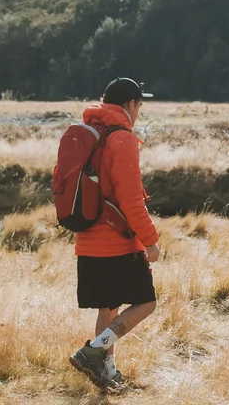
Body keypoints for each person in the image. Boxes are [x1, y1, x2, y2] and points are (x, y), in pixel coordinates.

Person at [68, 77, 161, 392]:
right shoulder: (121, 139)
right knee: (146, 303)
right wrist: (151, 241)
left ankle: (106, 372)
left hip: (87, 240)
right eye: (139, 106)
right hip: (117, 241)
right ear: (130, 104)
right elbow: (132, 201)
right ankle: (94, 352)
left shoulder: (90, 134)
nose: (139, 113)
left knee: (107, 308)